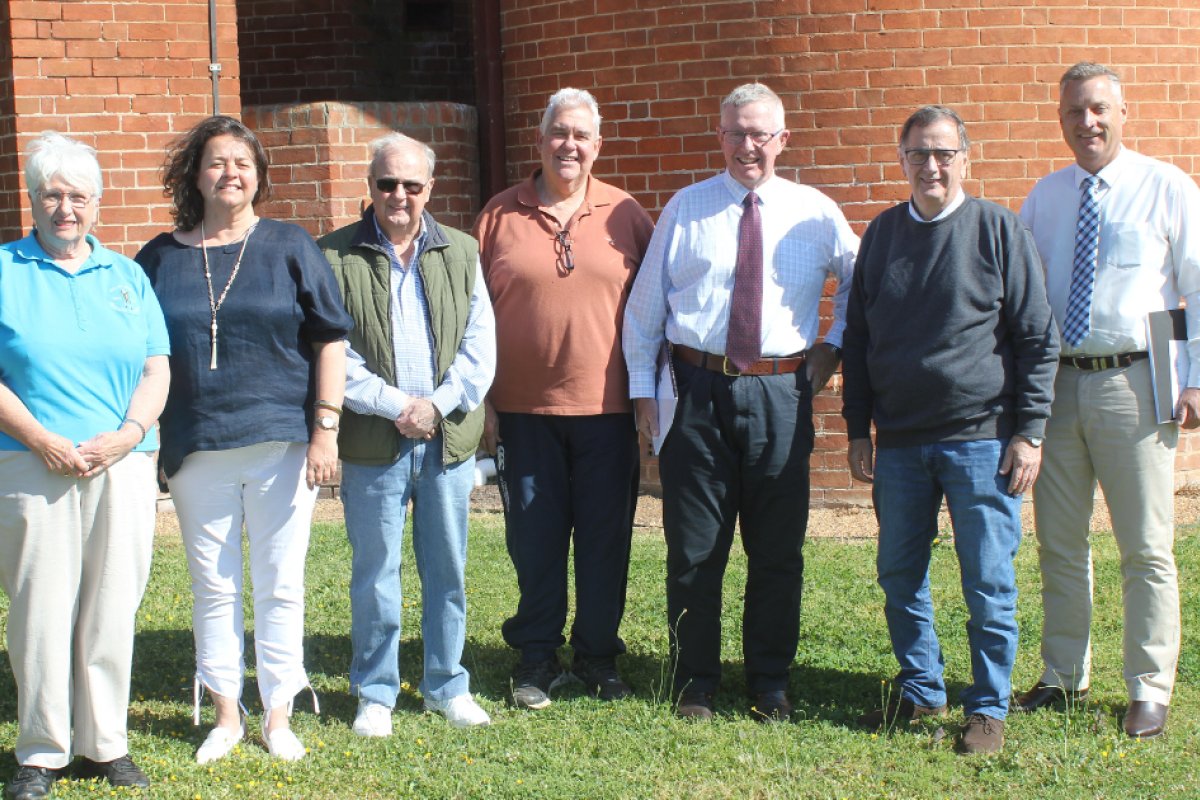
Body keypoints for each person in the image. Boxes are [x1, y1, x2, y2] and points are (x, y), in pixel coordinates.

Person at [622, 82, 857, 722]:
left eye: (759, 134)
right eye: (735, 133)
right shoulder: (686, 207)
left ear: (783, 139)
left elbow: (862, 286)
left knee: (777, 549)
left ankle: (770, 680)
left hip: (783, 392)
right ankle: (697, 678)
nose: (747, 146)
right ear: (719, 137)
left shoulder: (815, 210)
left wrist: (832, 347)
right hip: (694, 393)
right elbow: (644, 311)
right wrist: (644, 391)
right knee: (694, 546)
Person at [842, 106, 1059, 754]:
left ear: (967, 157)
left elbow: (1036, 337)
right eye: (917, 153)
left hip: (982, 441)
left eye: (943, 153)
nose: (930, 166)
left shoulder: (997, 230)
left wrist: (1031, 430)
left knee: (988, 580)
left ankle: (987, 707)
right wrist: (858, 427)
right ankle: (922, 689)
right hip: (901, 444)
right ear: (901, 158)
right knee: (899, 573)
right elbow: (857, 339)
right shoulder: (880, 236)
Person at [137, 116, 353, 763]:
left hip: (281, 443)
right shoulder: (159, 257)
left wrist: (325, 431)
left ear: (258, 174)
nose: (229, 173)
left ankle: (278, 714)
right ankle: (227, 715)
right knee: (214, 583)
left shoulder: (290, 245)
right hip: (196, 444)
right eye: (215, 162)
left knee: (281, 582)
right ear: (194, 175)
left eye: (241, 162)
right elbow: (140, 354)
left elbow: (332, 340)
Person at [1015, 62, 1200, 740]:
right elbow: (1026, 299)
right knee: (1060, 543)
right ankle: (1064, 676)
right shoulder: (1045, 197)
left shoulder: (1167, 187)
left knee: (1146, 546)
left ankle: (1149, 688)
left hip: (1137, 379)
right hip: (1059, 386)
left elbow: (1196, 288)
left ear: (1124, 112)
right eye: (1073, 112)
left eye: (1098, 109)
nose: (1086, 122)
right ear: (1060, 119)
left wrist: (1196, 378)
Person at [0, 132, 170, 800]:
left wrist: (129, 436)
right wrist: (42, 438)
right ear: (33, 201)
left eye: (76, 196)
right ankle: (41, 751)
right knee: (40, 606)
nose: (64, 208)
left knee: (111, 603)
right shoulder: (6, 269)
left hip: (120, 466)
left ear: (96, 203)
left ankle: (105, 744)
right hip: (31, 463)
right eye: (51, 195)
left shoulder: (126, 276)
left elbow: (157, 366)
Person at [472, 88, 654, 709]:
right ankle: (536, 657)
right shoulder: (498, 215)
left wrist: (650, 395)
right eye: (558, 132)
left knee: (607, 540)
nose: (569, 145)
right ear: (540, 139)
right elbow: (472, 318)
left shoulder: (626, 214)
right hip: (523, 412)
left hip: (608, 411)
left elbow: (653, 311)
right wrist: (485, 403)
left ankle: (599, 656)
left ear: (597, 145)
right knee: (535, 539)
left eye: (581, 135)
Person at [317, 132, 496, 735]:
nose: (399, 194)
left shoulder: (463, 252)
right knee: (376, 572)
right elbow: (331, 352)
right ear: (369, 187)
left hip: (443, 441)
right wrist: (398, 405)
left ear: (429, 190)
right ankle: (376, 692)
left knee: (447, 569)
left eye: (411, 185)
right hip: (375, 441)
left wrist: (437, 407)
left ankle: (448, 685)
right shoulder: (333, 257)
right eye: (387, 183)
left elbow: (480, 349)